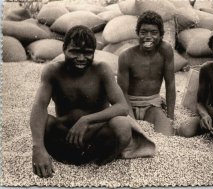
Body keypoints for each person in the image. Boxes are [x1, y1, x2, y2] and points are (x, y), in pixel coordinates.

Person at [30, 25, 155, 178]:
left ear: (94, 53)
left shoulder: (102, 70)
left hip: (95, 135)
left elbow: (122, 107)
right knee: (46, 122)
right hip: (65, 134)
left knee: (122, 124)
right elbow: (39, 106)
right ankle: (66, 158)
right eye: (75, 51)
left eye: (87, 53)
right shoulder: (53, 71)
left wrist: (86, 120)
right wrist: (38, 147)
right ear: (64, 50)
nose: (81, 58)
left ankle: (100, 164)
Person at [118, 11, 176, 136]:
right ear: (137, 33)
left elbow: (170, 84)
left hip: (152, 104)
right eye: (143, 32)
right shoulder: (126, 56)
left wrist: (170, 117)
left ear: (161, 35)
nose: (148, 37)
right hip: (129, 105)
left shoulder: (165, 51)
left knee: (168, 134)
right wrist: (132, 119)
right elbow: (122, 92)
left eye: (154, 33)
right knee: (130, 133)